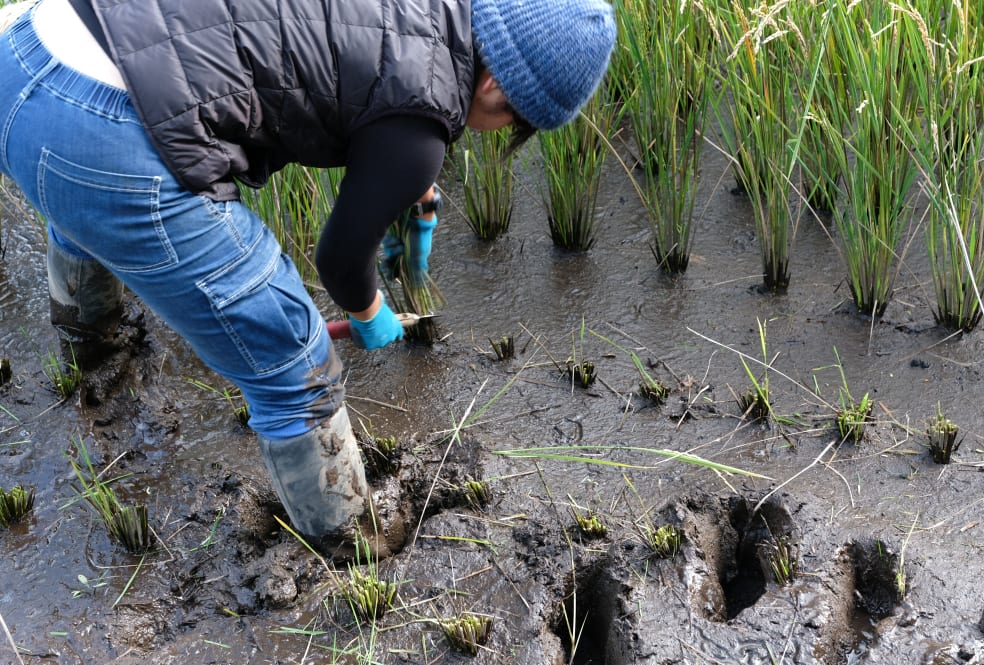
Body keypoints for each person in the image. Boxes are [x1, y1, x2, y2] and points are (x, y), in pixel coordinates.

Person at [0, 0, 616, 555]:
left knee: (92, 215)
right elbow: (340, 261)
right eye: (516, 123)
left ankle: (96, 346)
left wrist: (406, 175)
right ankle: (349, 545)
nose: (503, 134)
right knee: (292, 352)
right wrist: (371, 312)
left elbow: (343, 55)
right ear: (494, 86)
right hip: (92, 130)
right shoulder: (424, 124)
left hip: (33, 45)